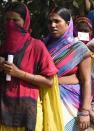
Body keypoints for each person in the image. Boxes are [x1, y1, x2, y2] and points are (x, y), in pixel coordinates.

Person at [0, 2, 58, 130]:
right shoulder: (3, 47)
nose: (11, 24)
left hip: (28, 114)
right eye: (7, 20)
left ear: (25, 21)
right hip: (4, 113)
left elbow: (49, 82)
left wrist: (18, 73)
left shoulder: (36, 46)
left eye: (16, 20)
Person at [45, 7, 92, 130]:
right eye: (50, 22)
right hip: (45, 98)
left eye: (57, 21)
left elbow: (87, 80)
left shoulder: (80, 48)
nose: (52, 25)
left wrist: (85, 111)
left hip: (70, 104)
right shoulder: (43, 45)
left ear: (67, 23)